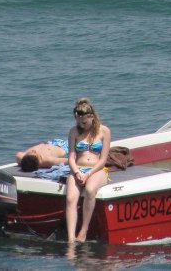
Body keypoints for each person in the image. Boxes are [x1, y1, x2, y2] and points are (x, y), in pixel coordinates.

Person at [65, 98, 111, 243]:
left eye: (84, 122)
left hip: (96, 170)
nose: (81, 125)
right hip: (78, 169)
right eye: (78, 122)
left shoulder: (104, 131)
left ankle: (83, 231)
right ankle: (71, 238)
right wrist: (77, 172)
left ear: (91, 116)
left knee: (90, 190)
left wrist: (89, 174)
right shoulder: (74, 132)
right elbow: (71, 157)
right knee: (70, 198)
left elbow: (103, 159)